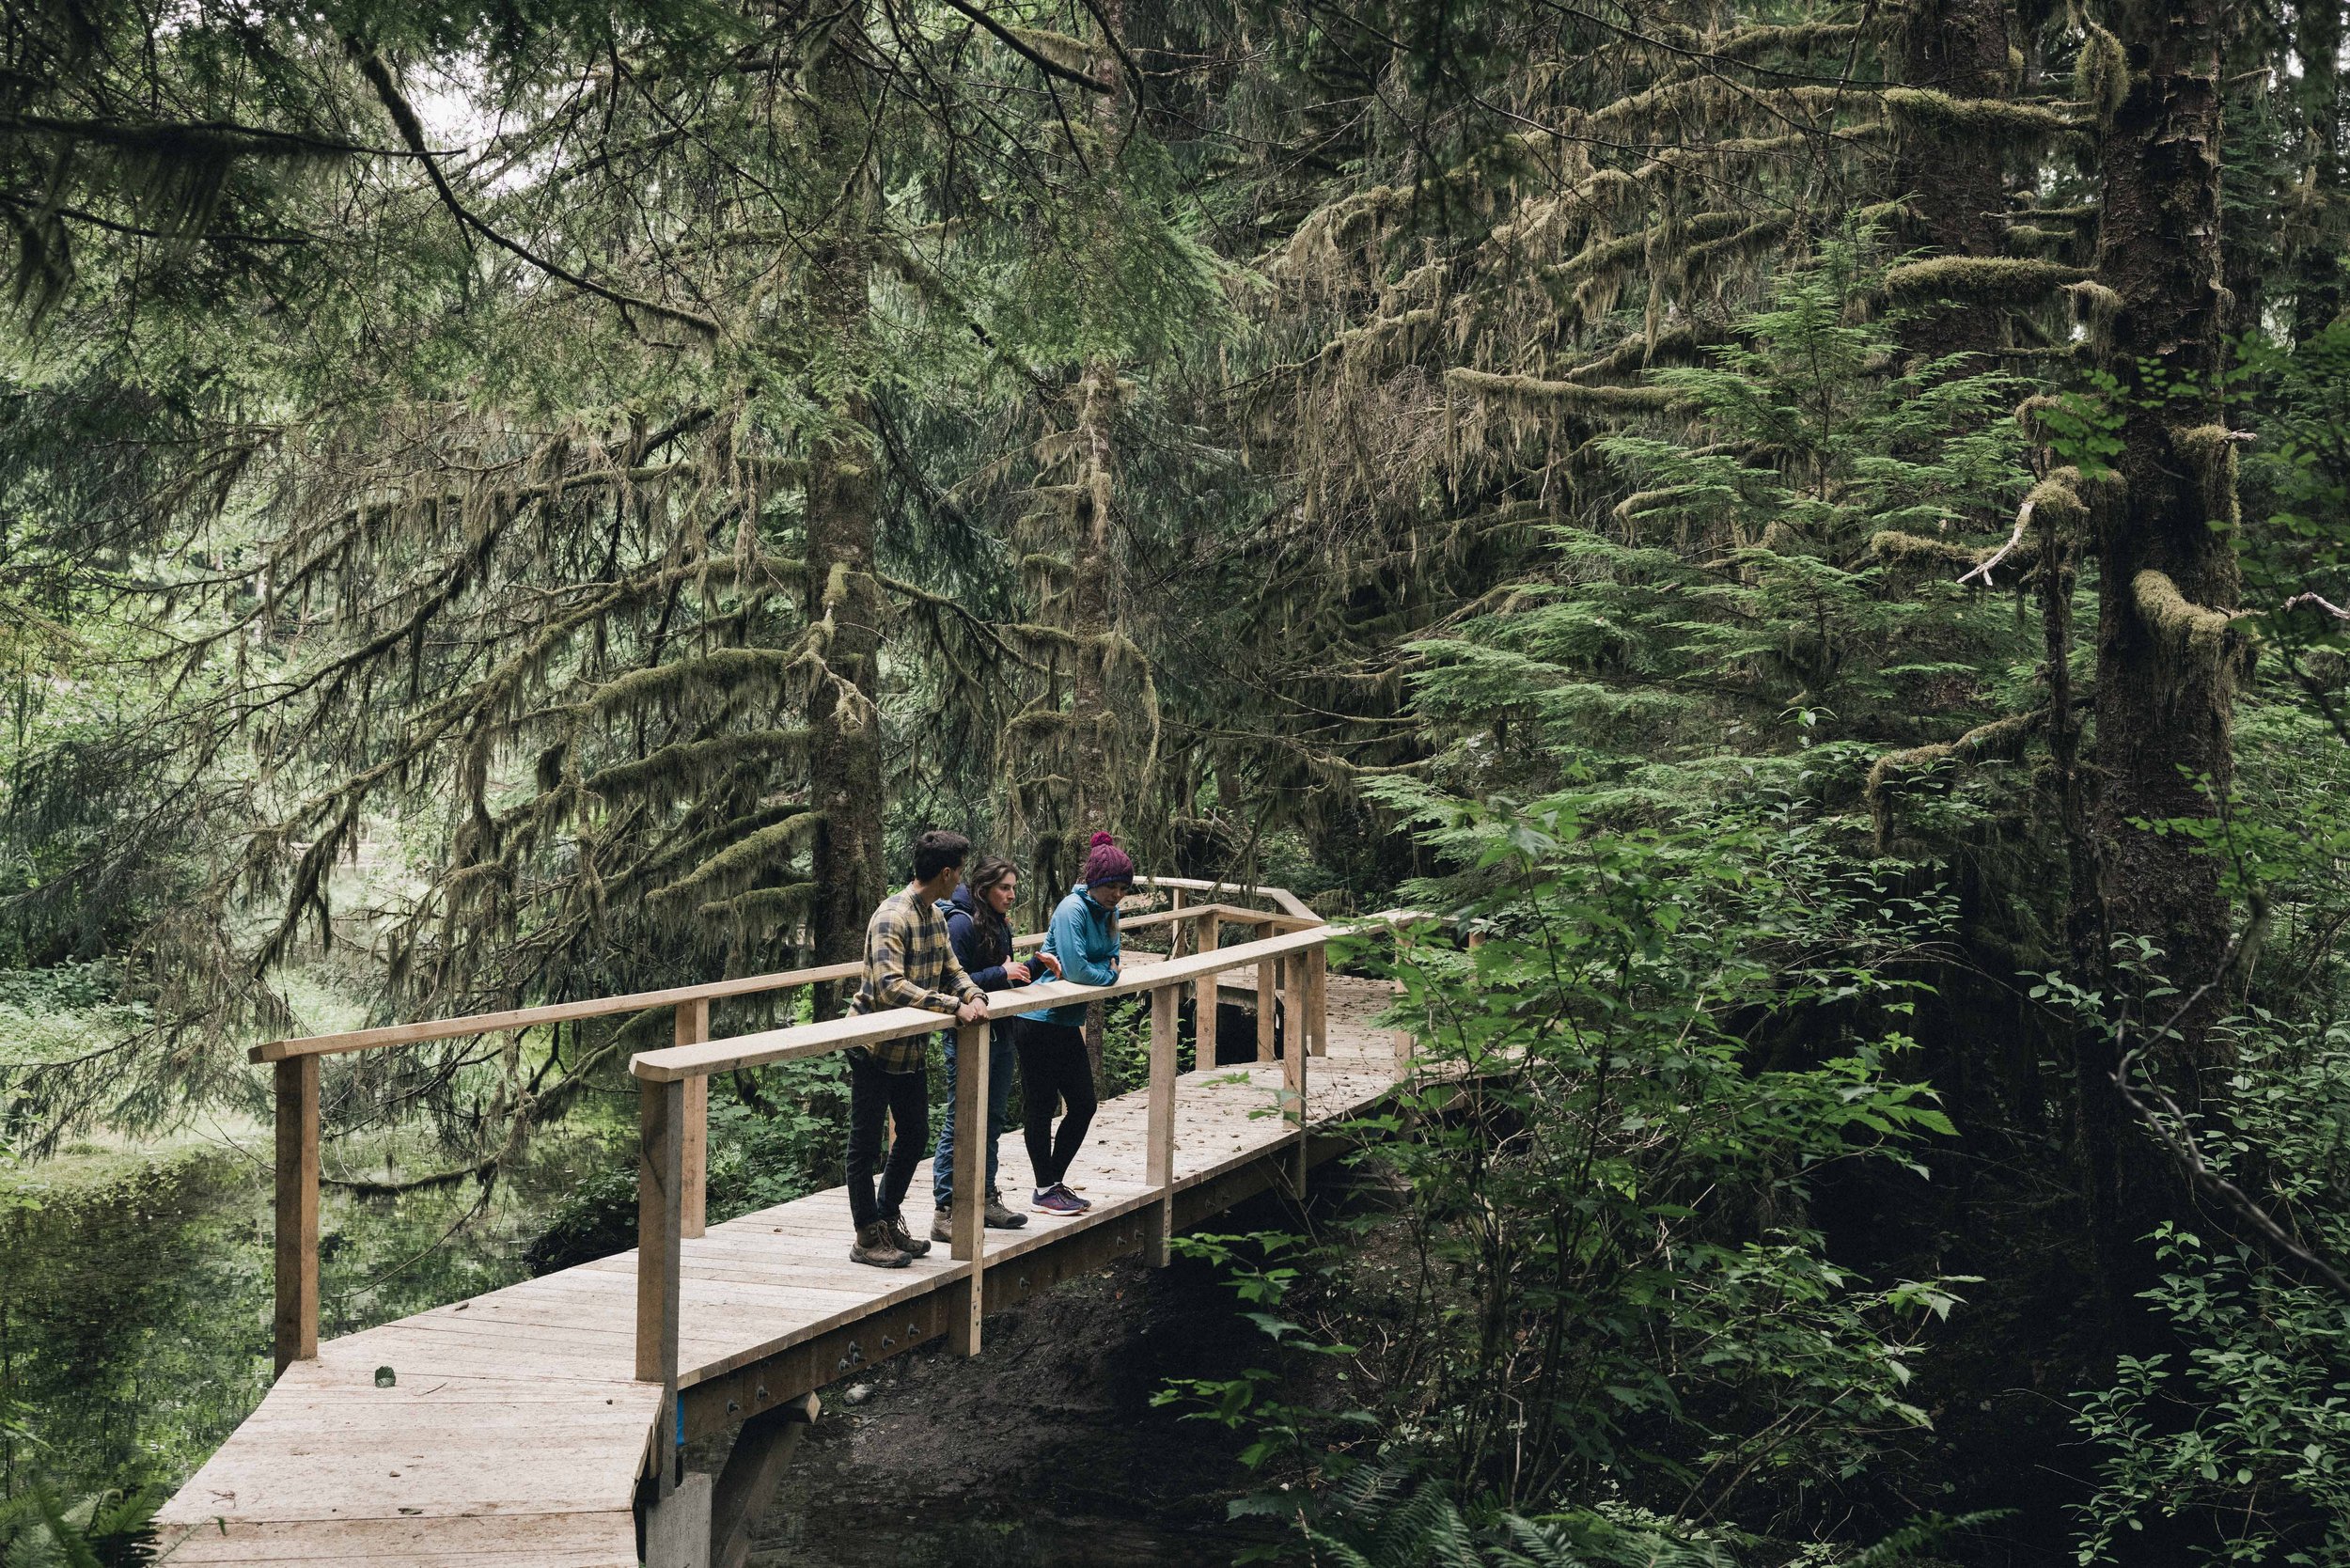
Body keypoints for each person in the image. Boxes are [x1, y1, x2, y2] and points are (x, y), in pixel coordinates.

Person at [843, 829, 988, 1268]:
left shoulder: (936, 917)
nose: (961, 879)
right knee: (865, 1145)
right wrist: (950, 1004)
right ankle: (866, 1236)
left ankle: (887, 1218)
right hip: (873, 1046)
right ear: (945, 873)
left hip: (910, 1051)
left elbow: (952, 970)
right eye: (960, 871)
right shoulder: (893, 916)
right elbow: (889, 987)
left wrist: (973, 994)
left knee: (915, 1136)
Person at [930, 856, 1058, 1242]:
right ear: (985, 889)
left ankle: (985, 1198)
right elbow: (952, 981)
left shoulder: (997, 922)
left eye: (1014, 888)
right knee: (962, 1118)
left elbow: (1004, 976)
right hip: (967, 1034)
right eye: (1005, 888)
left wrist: (1033, 966)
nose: (1012, 894)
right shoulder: (960, 923)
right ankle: (946, 1209)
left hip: (1001, 1031)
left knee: (993, 1117)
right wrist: (1003, 973)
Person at [1017, 831, 1134, 1216]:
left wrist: (1102, 970)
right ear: (1093, 882)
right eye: (1110, 886)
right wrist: (1108, 974)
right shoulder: (1072, 909)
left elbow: (1112, 956)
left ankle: (1051, 1184)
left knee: (1083, 1103)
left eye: (1122, 887)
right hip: (1037, 1017)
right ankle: (1045, 1187)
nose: (1116, 895)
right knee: (1042, 1104)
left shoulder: (1110, 912)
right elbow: (1080, 970)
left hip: (1066, 1019)